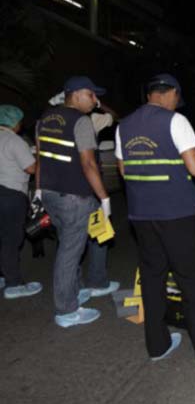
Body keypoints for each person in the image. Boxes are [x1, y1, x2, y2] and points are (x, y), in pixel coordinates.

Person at [116, 73, 195, 362]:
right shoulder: (176, 121)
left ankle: (157, 346)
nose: (176, 103)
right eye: (177, 98)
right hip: (177, 214)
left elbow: (124, 171)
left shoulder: (124, 125)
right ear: (171, 93)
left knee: (152, 277)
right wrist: (194, 153)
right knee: (193, 279)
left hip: (141, 214)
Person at [36, 76, 115, 327]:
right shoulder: (80, 121)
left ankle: (79, 288)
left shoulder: (44, 119)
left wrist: (38, 190)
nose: (95, 101)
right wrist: (104, 197)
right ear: (77, 94)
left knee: (70, 244)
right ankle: (67, 310)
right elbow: (89, 163)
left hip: (50, 194)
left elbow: (41, 158)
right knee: (70, 252)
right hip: (74, 196)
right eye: (92, 95)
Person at [0, 105, 42, 299]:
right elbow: (31, 169)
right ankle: (13, 284)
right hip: (10, 194)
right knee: (11, 240)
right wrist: (38, 154)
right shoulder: (14, 141)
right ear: (14, 123)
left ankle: (4, 275)